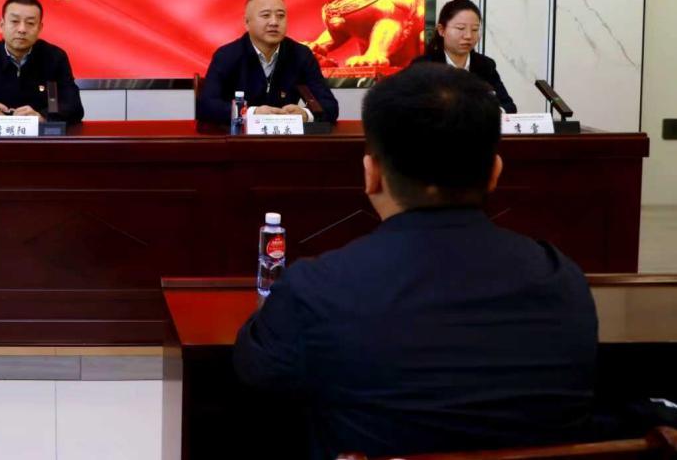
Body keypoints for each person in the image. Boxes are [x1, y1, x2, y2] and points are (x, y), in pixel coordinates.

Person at [233, 64, 597, 460]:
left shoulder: (317, 290)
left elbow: (256, 370)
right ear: (495, 173)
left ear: (371, 174)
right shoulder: (561, 280)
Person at [197, 0, 339, 125]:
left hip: (285, 139)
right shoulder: (227, 55)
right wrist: (250, 113)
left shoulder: (301, 55)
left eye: (281, 16)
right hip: (238, 138)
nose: (274, 22)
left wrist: (306, 114)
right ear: (247, 23)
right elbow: (206, 106)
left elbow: (330, 106)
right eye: (265, 16)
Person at [413, 0, 518, 113]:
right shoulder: (423, 66)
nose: (468, 36)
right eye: (460, 28)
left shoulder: (485, 66)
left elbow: (509, 106)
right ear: (441, 30)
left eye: (475, 29)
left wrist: (491, 113)